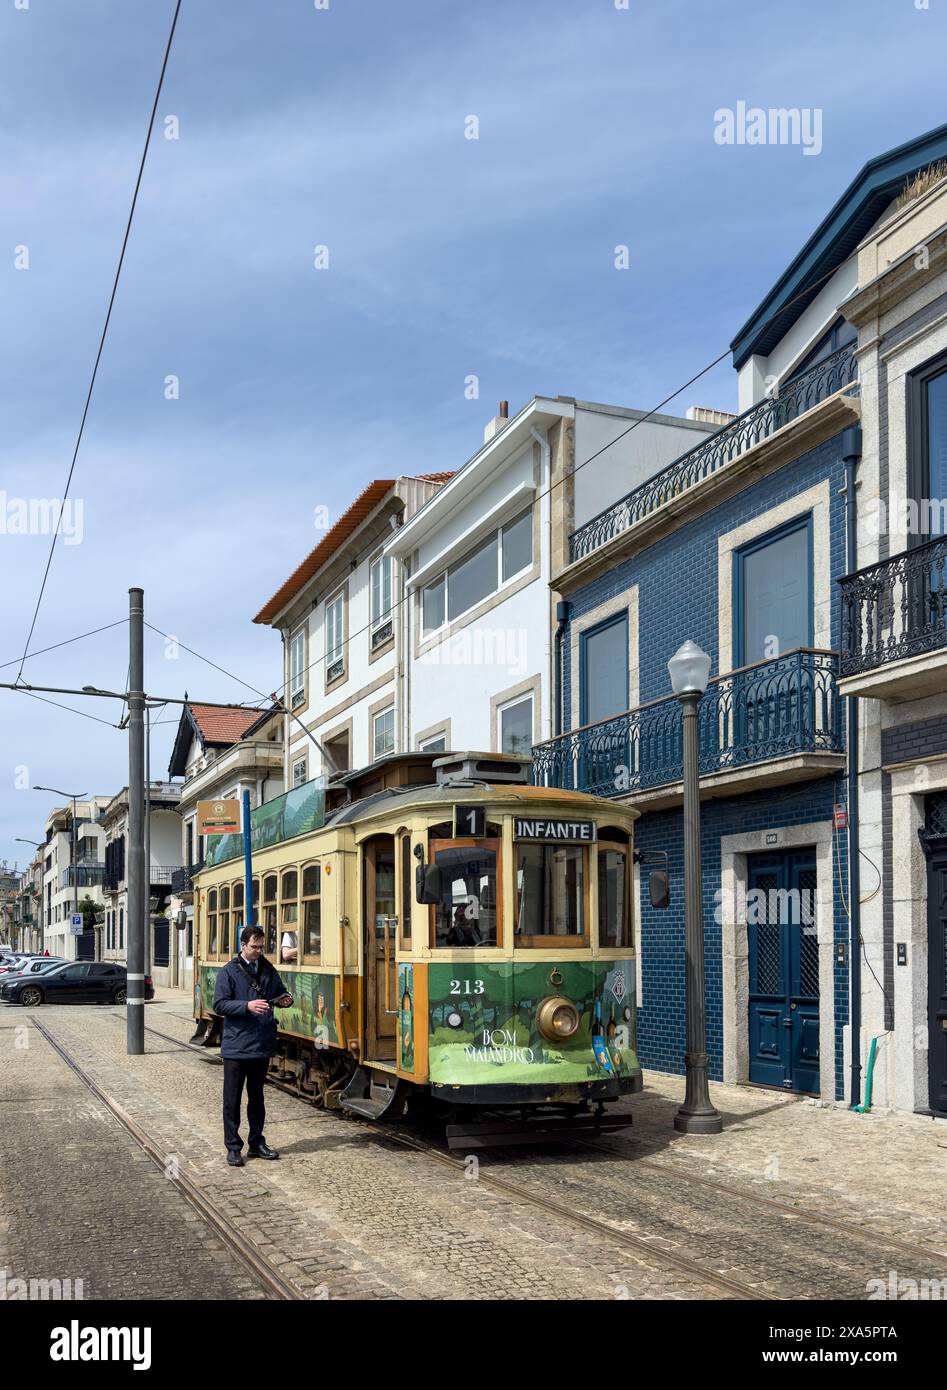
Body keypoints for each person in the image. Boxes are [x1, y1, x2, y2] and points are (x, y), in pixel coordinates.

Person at [213, 924, 293, 1167]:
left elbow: (279, 993)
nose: (258, 951)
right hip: (237, 1045)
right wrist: (246, 1006)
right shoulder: (228, 972)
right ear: (243, 945)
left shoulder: (267, 968)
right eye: (254, 947)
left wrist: (285, 1000)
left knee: (257, 1098)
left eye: (261, 947)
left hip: (260, 1042)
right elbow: (219, 1005)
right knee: (232, 1099)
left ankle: (257, 1143)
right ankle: (233, 1147)